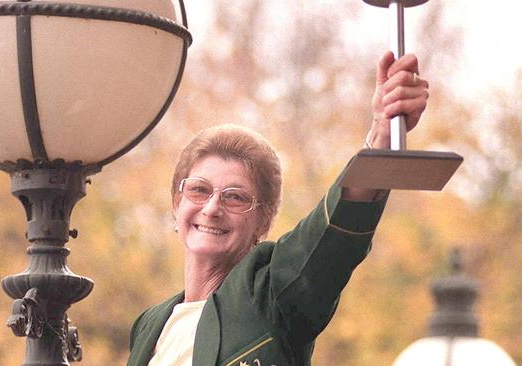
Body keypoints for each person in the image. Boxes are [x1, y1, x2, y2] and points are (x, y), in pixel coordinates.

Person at [126, 51, 429, 366]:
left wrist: (381, 133)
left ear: (262, 221)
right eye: (199, 190)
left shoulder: (273, 298)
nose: (213, 207)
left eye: (235, 197)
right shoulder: (149, 325)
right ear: (177, 204)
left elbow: (330, 241)